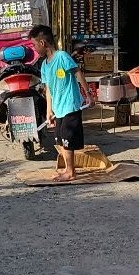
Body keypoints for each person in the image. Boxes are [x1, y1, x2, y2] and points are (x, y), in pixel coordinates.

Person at [29, 24, 92, 183]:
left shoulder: (62, 56)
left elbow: (77, 72)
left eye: (34, 44)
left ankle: (71, 172)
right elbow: (48, 89)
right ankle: (67, 169)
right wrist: (49, 111)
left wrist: (88, 94)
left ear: (42, 43)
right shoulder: (44, 65)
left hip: (70, 105)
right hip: (58, 109)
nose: (34, 48)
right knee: (60, 139)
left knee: (67, 139)